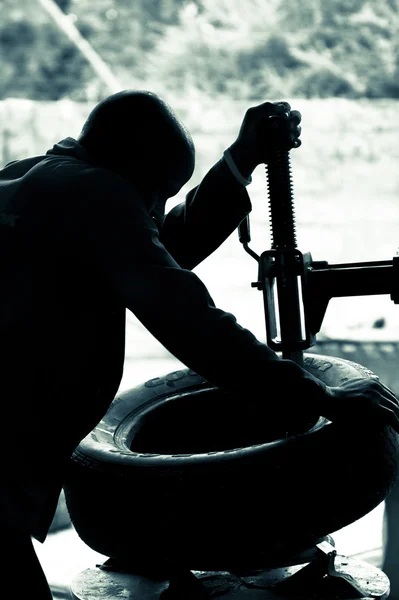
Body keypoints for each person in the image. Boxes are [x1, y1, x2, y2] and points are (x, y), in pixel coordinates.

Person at [0, 89, 398, 598]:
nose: (159, 208)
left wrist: (241, 161)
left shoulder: (34, 178)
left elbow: (157, 248)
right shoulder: (96, 196)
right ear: (129, 166)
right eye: (161, 190)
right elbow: (191, 322)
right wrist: (321, 397)